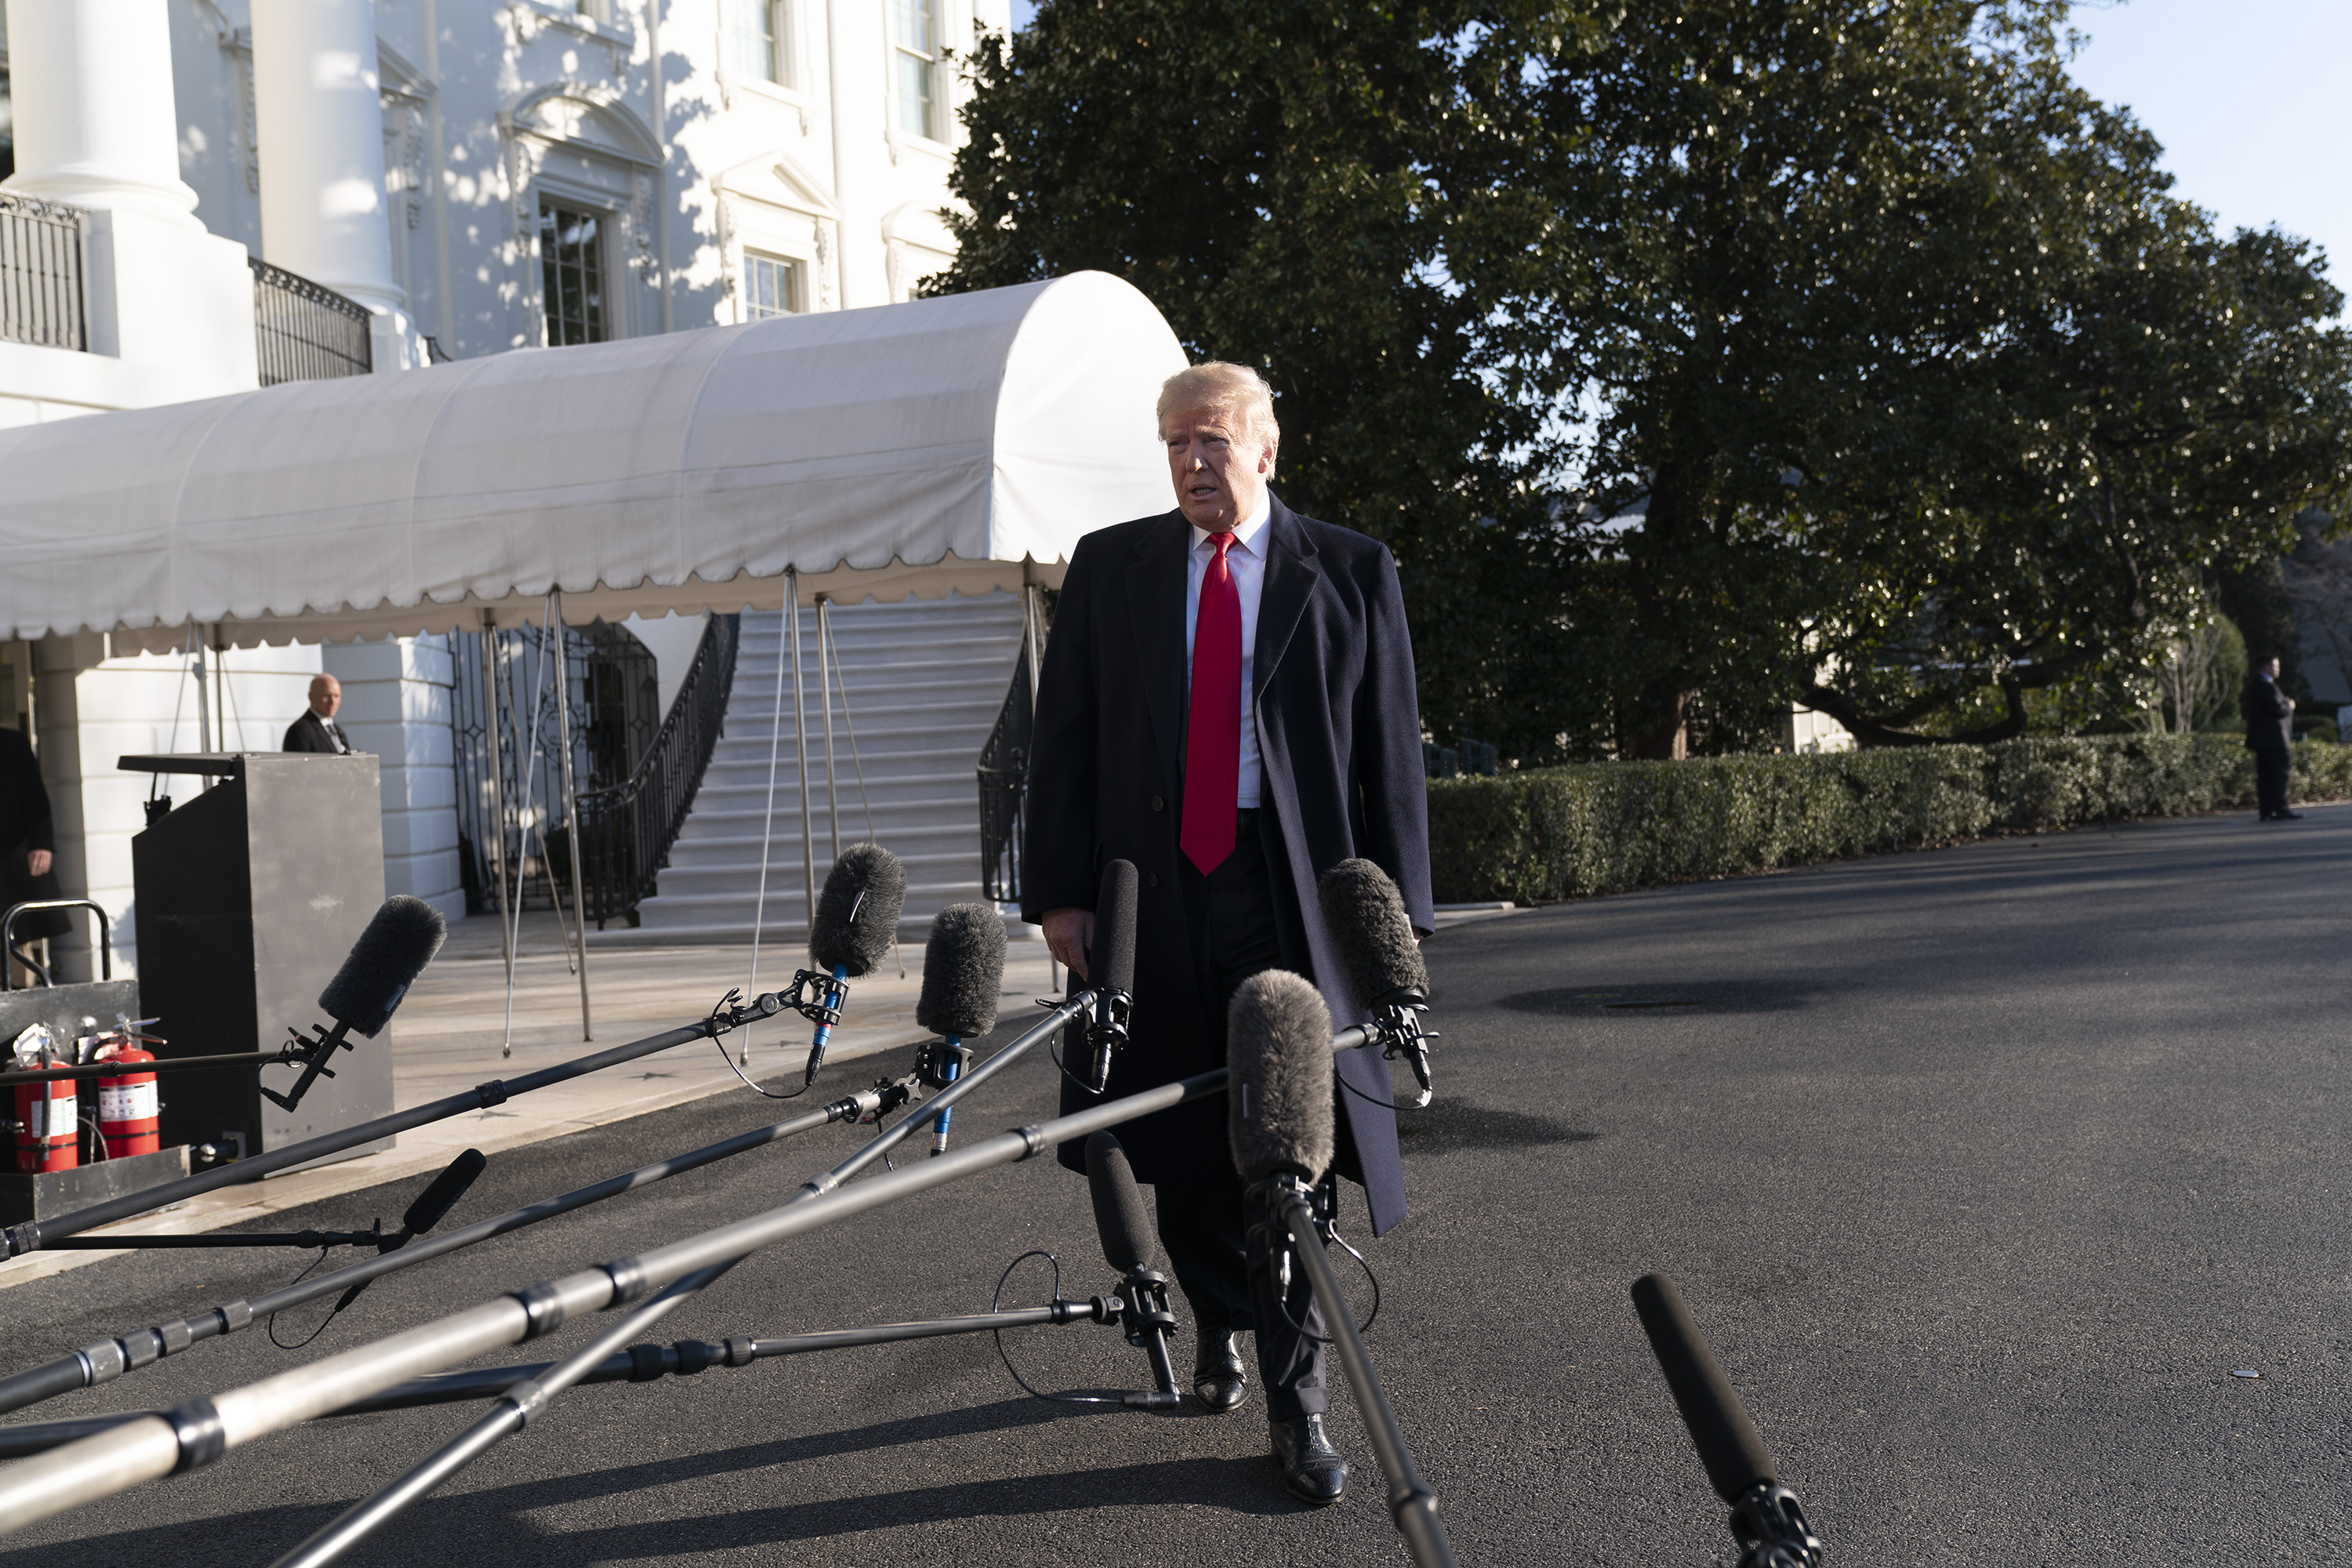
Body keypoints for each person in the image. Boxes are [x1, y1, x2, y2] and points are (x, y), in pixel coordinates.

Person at [1021, 361, 1433, 1505]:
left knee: (1288, 1134)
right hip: (1154, 893)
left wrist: (1392, 923)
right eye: (1173, 444)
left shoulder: (1348, 569)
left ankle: (1299, 1396)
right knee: (1181, 1125)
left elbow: (1390, 758)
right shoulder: (1115, 568)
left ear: (1266, 446)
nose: (1192, 462)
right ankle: (1220, 1322)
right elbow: (1066, 741)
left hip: (1285, 887)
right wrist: (1060, 893)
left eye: (1210, 440)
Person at [0, 724, 65, 975]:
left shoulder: (10, 742)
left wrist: (41, 842)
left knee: (15, 935)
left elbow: (34, 796)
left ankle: (21, 1007)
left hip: (8, 854)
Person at [2242, 654, 2299, 821]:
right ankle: (2281, 809)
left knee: (2265, 778)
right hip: (2275, 740)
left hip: (2262, 740)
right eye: (2276, 666)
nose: (2278, 669)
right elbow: (2277, 709)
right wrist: (2289, 706)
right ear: (2266, 667)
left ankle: (2267, 811)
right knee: (2279, 776)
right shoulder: (2266, 686)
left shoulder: (2253, 685)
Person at [283, 674, 354, 754]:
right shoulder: (300, 730)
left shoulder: (337, 730)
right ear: (311, 697)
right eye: (327, 696)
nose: (333, 702)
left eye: (336, 696)